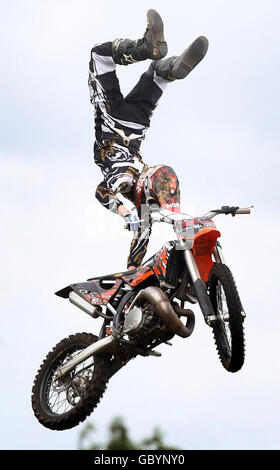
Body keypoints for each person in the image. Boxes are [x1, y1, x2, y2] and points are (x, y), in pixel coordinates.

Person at [88, 9, 208, 270]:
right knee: (99, 56)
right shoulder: (129, 179)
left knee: (157, 75)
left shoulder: (140, 182)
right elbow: (101, 191)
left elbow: (141, 237)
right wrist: (123, 211)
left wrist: (132, 271)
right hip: (113, 123)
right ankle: (147, 50)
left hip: (137, 125)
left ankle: (170, 68)